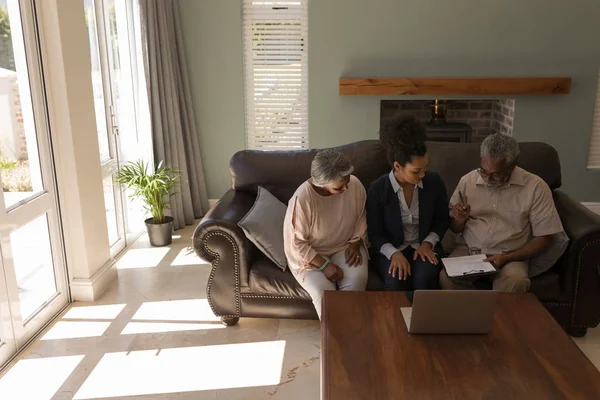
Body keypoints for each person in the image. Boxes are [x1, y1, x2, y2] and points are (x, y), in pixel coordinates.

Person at [439, 133, 564, 293]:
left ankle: (499, 318)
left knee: (516, 281)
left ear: (513, 166)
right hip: (470, 250)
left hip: (510, 255)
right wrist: (458, 219)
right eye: (484, 171)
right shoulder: (467, 181)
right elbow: (455, 228)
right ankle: (471, 316)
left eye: (496, 174)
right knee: (447, 277)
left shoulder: (536, 188)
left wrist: (507, 258)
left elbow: (543, 238)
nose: (488, 179)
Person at [367, 114, 449, 292]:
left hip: (424, 246)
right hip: (392, 249)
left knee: (425, 276)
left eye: (425, 168)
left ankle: (422, 319)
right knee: (396, 279)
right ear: (397, 166)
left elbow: (442, 220)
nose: (422, 175)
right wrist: (394, 254)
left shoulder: (434, 183)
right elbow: (374, 233)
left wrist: (428, 243)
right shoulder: (378, 189)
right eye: (416, 171)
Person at [283, 149, 368, 319]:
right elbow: (297, 243)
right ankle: (333, 338)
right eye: (339, 186)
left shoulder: (355, 185)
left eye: (347, 180)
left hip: (345, 245)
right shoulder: (303, 199)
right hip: (311, 256)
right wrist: (324, 266)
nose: (346, 187)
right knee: (323, 292)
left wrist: (356, 242)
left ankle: (350, 330)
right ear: (322, 184)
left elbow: (361, 217)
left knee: (357, 279)